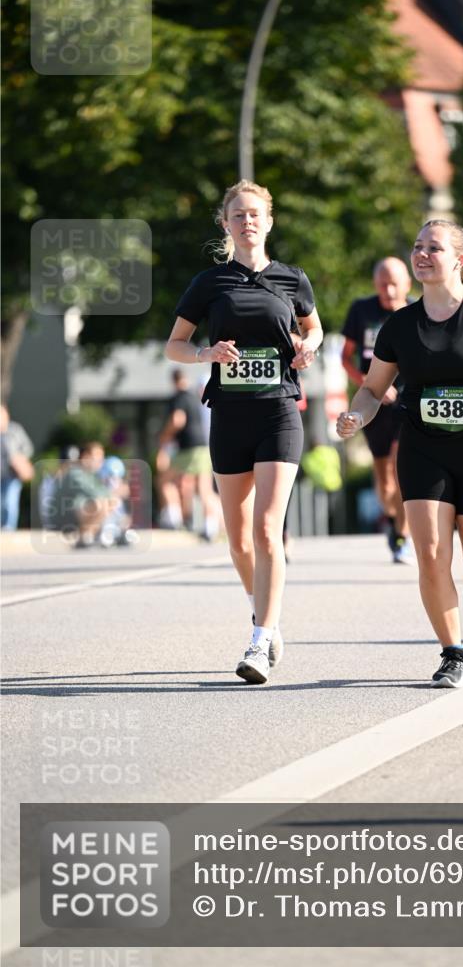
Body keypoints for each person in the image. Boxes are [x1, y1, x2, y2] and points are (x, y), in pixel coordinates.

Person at [337, 219, 463, 688]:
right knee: (430, 555)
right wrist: (357, 415)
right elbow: (372, 389)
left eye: (434, 247)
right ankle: (453, 654)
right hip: (422, 447)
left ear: (460, 259)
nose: (422, 254)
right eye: (417, 246)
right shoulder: (400, 324)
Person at [165, 178, 323, 685]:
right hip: (229, 415)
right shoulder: (210, 283)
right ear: (226, 224)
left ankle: (260, 638)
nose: (247, 221)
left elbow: (313, 327)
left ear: (269, 221)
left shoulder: (292, 279)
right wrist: (206, 354)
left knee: (266, 528)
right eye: (238, 215)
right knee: (237, 541)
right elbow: (175, 345)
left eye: (255, 214)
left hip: (278, 411)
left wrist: (308, 346)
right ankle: (268, 615)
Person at [341, 257, 414, 563]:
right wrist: (370, 384)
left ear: (408, 284)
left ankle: (402, 535)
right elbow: (346, 358)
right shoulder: (362, 310)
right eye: (383, 283)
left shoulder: (417, 312)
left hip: (408, 401)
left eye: (395, 282)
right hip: (373, 403)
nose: (389, 288)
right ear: (375, 284)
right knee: (384, 478)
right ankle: (393, 519)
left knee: (402, 468)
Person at [157, 369, 222, 541]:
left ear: (173, 381)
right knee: (204, 489)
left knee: (164, 481)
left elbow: (178, 419)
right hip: (202, 446)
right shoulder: (195, 397)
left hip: (187, 448)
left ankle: (173, 518)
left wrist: (164, 436)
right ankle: (211, 526)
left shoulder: (178, 397)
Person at [0, 404, 34, 530]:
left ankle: (8, 527)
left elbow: (28, 448)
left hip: (12, 474)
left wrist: (19, 458)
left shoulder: (15, 430)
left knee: (9, 500)